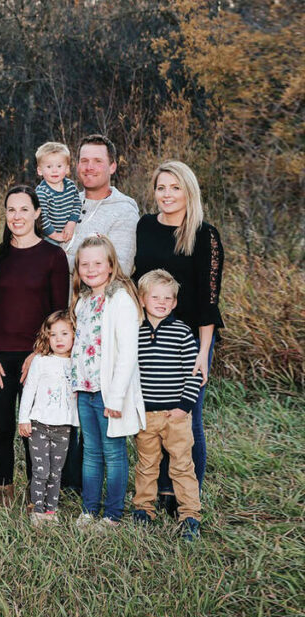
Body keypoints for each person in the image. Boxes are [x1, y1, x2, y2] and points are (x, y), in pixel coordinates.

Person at [133, 160, 223, 513]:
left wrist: (203, 353)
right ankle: (157, 491)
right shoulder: (145, 227)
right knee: (153, 414)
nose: (167, 194)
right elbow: (136, 279)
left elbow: (208, 300)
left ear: (189, 191)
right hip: (151, 336)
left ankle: (185, 496)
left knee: (186, 415)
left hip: (190, 340)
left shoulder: (205, 234)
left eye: (175, 187)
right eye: (161, 188)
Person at [0, 184, 68, 506]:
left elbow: (59, 313)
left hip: (38, 358)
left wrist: (39, 355)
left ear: (37, 213)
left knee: (36, 429)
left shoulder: (54, 256)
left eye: (24, 209)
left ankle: (36, 493)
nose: (17, 216)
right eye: (11, 209)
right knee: (2, 429)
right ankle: (4, 492)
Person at [70, 235, 144, 529]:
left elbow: (127, 353)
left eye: (98, 263)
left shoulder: (120, 299)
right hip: (85, 390)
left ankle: (112, 515)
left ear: (111, 266)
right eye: (84, 264)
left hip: (109, 393)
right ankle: (89, 510)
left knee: (113, 454)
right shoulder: (83, 301)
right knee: (90, 452)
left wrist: (115, 398)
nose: (91, 269)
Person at [130, 269, 203, 541]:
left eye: (167, 298)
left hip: (176, 414)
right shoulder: (134, 332)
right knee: (147, 464)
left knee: (182, 465)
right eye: (155, 296)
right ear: (142, 299)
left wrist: (185, 405)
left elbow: (192, 373)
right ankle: (143, 509)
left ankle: (190, 515)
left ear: (174, 303)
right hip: (146, 413)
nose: (161, 302)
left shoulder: (182, 331)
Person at [17, 311, 78, 526]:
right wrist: (23, 418)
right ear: (47, 338)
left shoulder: (77, 363)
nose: (59, 339)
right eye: (53, 335)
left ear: (74, 335)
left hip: (64, 426)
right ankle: (37, 510)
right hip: (39, 425)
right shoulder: (41, 362)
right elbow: (29, 391)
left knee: (56, 472)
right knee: (41, 471)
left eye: (64, 333)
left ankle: (51, 512)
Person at [64, 135, 140, 275]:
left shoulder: (124, 212)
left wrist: (55, 260)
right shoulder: (66, 202)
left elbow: (119, 270)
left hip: (88, 297)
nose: (89, 167)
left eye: (98, 161)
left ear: (112, 167)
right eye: (84, 161)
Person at [34, 142, 81, 245]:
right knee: (53, 255)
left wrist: (71, 223)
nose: (54, 170)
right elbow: (41, 218)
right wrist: (55, 235)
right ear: (40, 170)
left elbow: (77, 204)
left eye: (59, 166)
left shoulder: (71, 186)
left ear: (67, 169)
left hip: (68, 230)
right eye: (49, 167)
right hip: (47, 235)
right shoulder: (41, 193)